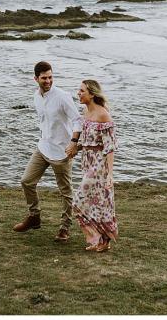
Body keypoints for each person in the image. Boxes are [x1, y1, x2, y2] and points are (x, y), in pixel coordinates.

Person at [13, 61, 82, 242]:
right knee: (26, 181)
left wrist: (74, 142)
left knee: (65, 192)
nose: (48, 81)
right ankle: (34, 216)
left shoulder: (63, 96)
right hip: (43, 148)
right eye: (44, 78)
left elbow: (78, 120)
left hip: (62, 152)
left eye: (50, 77)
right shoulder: (36, 96)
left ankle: (64, 228)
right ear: (36, 79)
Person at [68, 79, 118, 252]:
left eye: (82, 91)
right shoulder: (85, 111)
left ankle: (96, 237)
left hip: (99, 163)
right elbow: (87, 139)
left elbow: (110, 147)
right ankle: (102, 241)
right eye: (79, 90)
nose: (78, 94)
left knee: (79, 200)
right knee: (98, 202)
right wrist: (76, 147)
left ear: (92, 94)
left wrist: (110, 174)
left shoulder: (103, 114)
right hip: (87, 161)